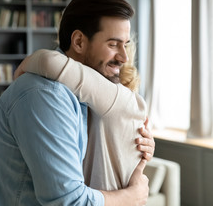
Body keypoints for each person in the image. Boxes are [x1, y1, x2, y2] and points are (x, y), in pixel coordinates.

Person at [0, 0, 154, 206]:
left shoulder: (85, 95)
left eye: (125, 45)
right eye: (113, 44)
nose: (123, 57)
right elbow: (68, 202)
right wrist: (131, 197)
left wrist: (135, 145)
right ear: (78, 42)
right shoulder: (46, 95)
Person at [14, 40, 148, 191]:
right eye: (112, 44)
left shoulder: (115, 97)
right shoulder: (108, 102)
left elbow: (49, 62)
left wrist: (27, 62)